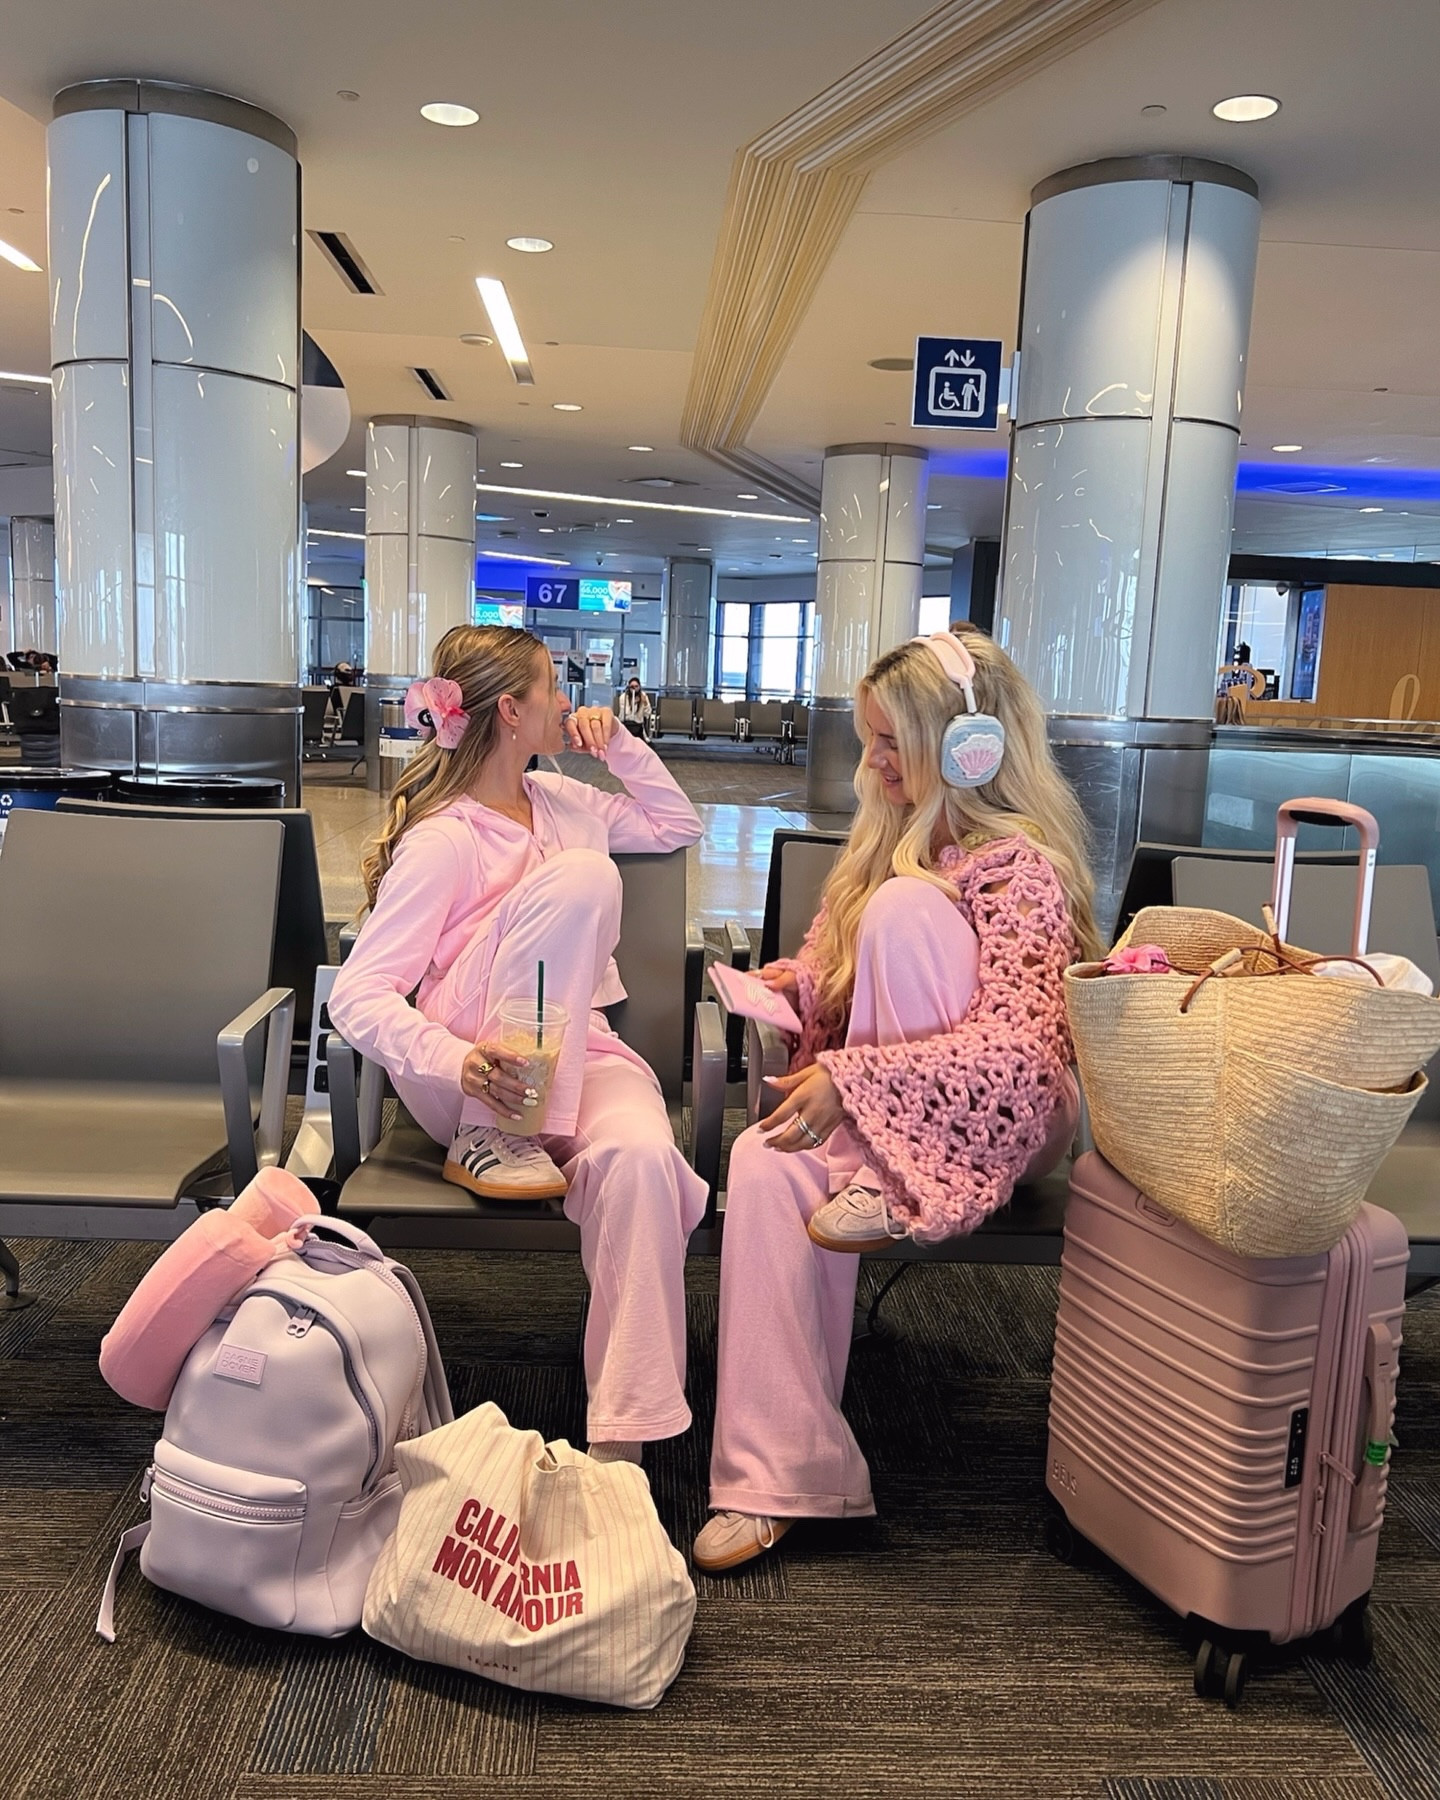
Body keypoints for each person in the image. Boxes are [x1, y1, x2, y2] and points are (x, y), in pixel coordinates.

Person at [693, 623, 1100, 1571]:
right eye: (869, 738)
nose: (871, 762)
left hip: (1008, 1126)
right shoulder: (877, 854)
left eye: (890, 742)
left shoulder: (1022, 871)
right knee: (759, 1163)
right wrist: (793, 986)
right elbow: (845, 991)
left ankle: (890, 1167)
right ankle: (778, 1475)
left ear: (967, 749)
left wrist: (858, 1079)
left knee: (909, 909)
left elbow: (1025, 1060)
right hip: (877, 1119)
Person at [328, 623, 708, 1462]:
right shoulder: (445, 838)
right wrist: (458, 1062)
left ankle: (622, 1456)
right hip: (471, 1076)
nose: (569, 703)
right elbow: (355, 997)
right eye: (554, 689)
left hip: (575, 1052)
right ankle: (497, 1132)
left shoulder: (567, 803)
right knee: (582, 876)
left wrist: (623, 749)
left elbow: (677, 824)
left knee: (642, 1158)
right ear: (512, 709)